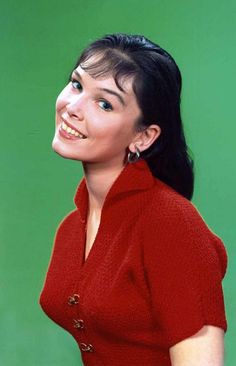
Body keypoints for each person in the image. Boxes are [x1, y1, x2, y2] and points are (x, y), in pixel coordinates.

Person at [39, 33, 228, 366]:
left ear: (144, 136)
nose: (73, 108)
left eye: (105, 103)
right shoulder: (72, 228)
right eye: (77, 85)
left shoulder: (171, 223)